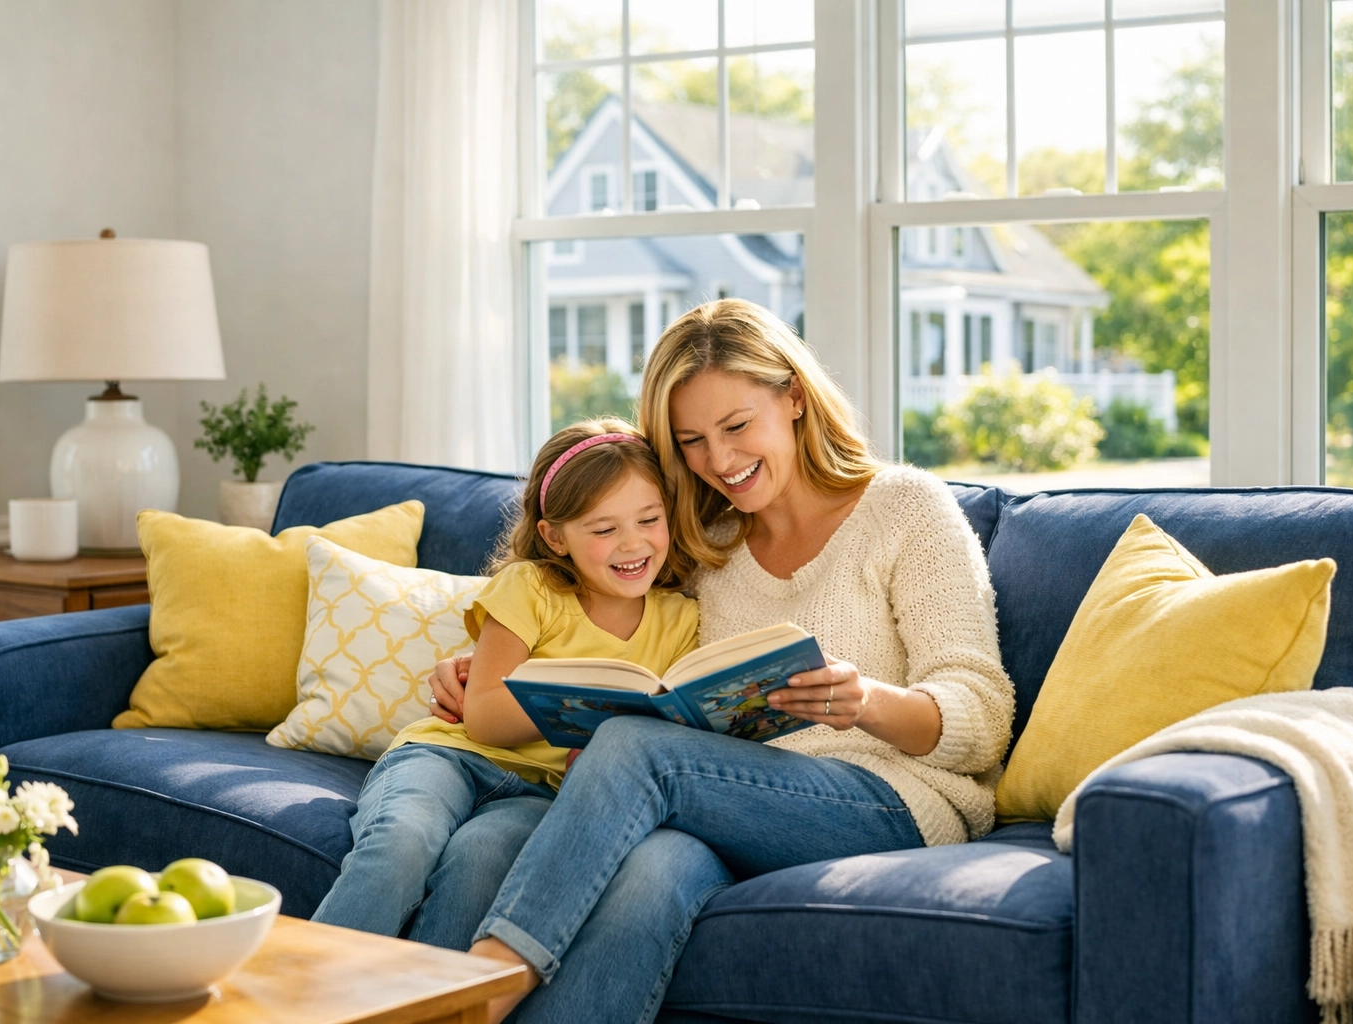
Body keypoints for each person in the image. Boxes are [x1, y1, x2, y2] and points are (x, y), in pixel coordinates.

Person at [433, 298, 1016, 1023]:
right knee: (621, 867)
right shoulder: (705, 542)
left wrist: (866, 700)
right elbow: (597, 606)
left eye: (737, 426)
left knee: (636, 750)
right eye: (692, 442)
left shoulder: (906, 509)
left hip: (891, 801)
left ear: (794, 398)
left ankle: (476, 990)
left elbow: (984, 717)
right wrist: (484, 659)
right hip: (727, 806)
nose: (722, 461)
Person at [309, 418, 699, 939]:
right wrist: (590, 705)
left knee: (479, 866)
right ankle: (308, 991)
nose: (633, 544)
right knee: (402, 840)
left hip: (540, 794)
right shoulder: (531, 588)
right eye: (604, 529)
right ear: (554, 536)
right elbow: (485, 718)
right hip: (450, 756)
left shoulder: (680, 620)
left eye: (649, 519)